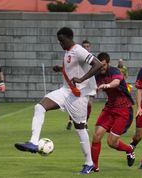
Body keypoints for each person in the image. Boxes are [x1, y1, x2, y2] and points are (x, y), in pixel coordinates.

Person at [14, 27, 103, 174]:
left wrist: (81, 79)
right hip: (65, 91)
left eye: (62, 40)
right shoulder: (68, 51)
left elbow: (98, 64)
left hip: (78, 96)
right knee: (39, 107)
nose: (60, 44)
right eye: (59, 41)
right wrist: (60, 69)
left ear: (70, 38)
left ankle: (89, 163)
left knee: (80, 129)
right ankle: (34, 142)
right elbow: (74, 68)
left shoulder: (78, 49)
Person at [91, 52, 135, 172]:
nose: (102, 68)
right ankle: (94, 167)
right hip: (110, 108)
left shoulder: (116, 71)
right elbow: (91, 87)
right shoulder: (98, 75)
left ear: (109, 63)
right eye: (100, 65)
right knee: (96, 135)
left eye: (104, 65)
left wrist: (107, 85)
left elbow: (116, 82)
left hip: (124, 109)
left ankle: (129, 149)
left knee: (111, 142)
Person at [66, 40, 95, 130]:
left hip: (89, 83)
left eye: (87, 46)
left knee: (89, 103)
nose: (86, 48)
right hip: (79, 84)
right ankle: (71, 121)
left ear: (90, 47)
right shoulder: (79, 57)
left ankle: (85, 123)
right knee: (76, 102)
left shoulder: (93, 58)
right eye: (84, 46)